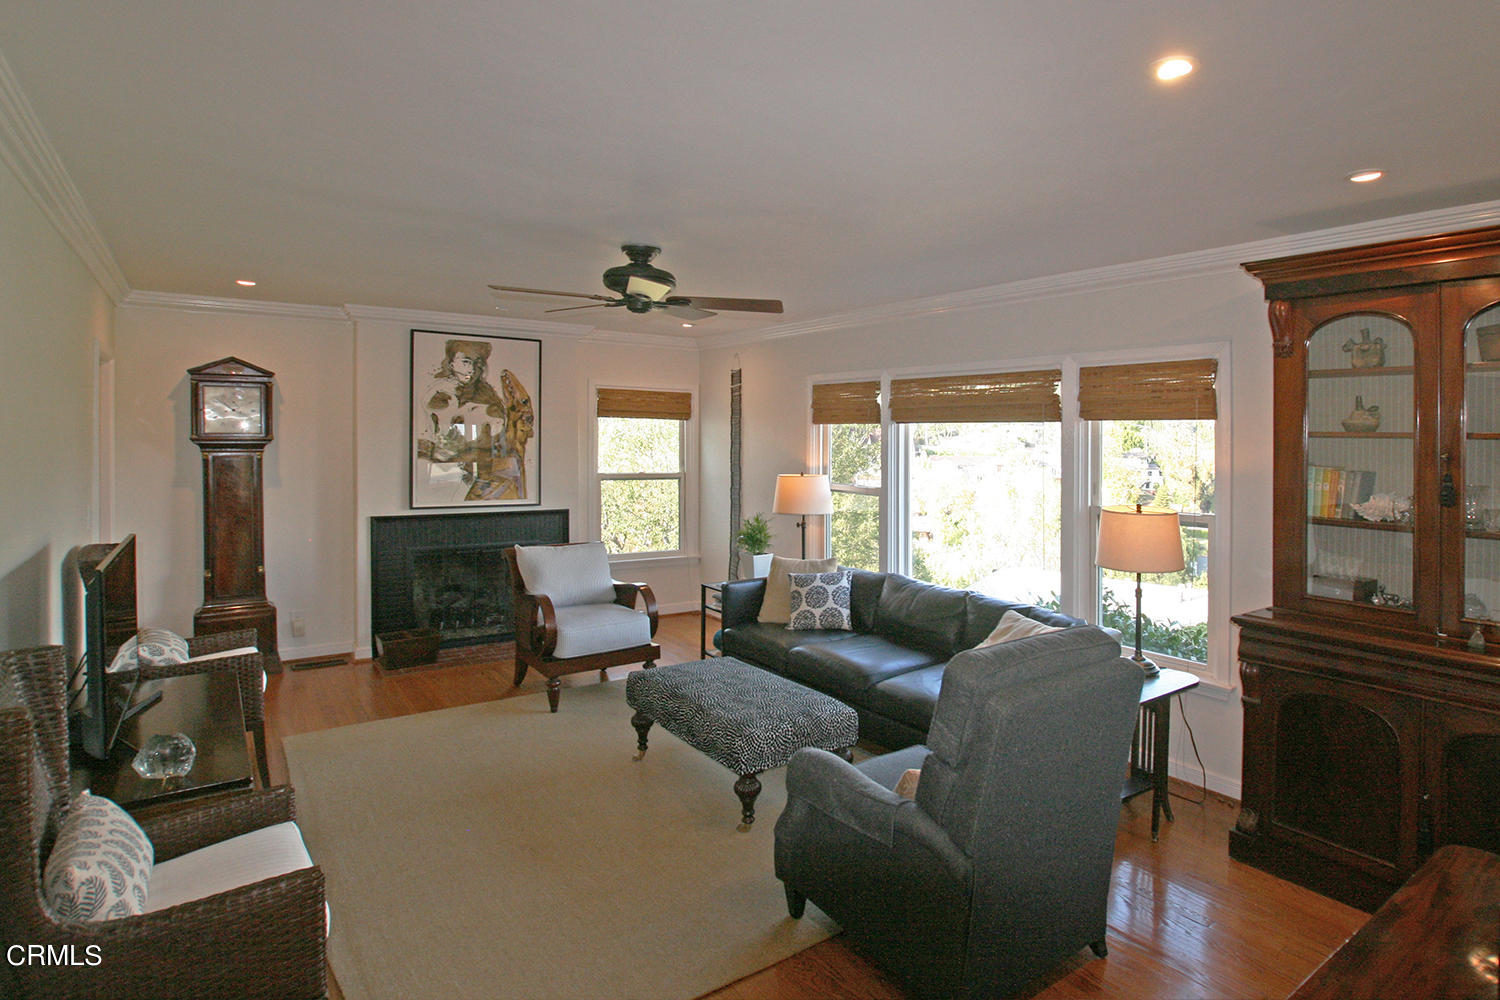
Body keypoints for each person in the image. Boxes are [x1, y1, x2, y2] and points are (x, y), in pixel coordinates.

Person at [416, 339, 533, 502]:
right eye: (465, 361)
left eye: (477, 363)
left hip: (493, 479)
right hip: (453, 476)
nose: (471, 369)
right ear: (451, 363)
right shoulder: (437, 393)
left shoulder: (490, 399)